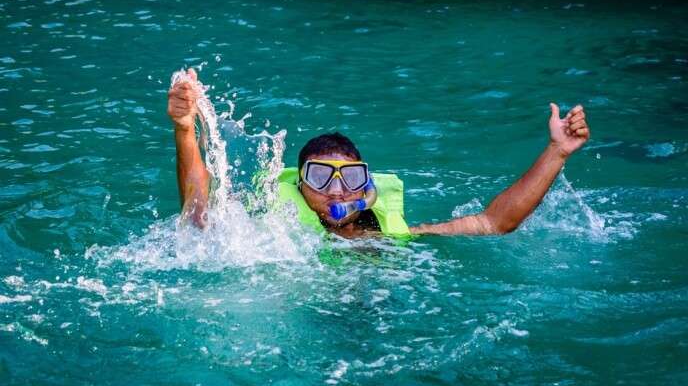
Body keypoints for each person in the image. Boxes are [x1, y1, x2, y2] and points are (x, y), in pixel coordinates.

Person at [167, 68, 591, 238]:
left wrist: (557, 152)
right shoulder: (270, 235)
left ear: (366, 184)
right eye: (320, 178)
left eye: (349, 178)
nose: (336, 193)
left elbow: (495, 222)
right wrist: (185, 129)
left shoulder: (393, 234)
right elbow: (198, 213)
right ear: (299, 184)